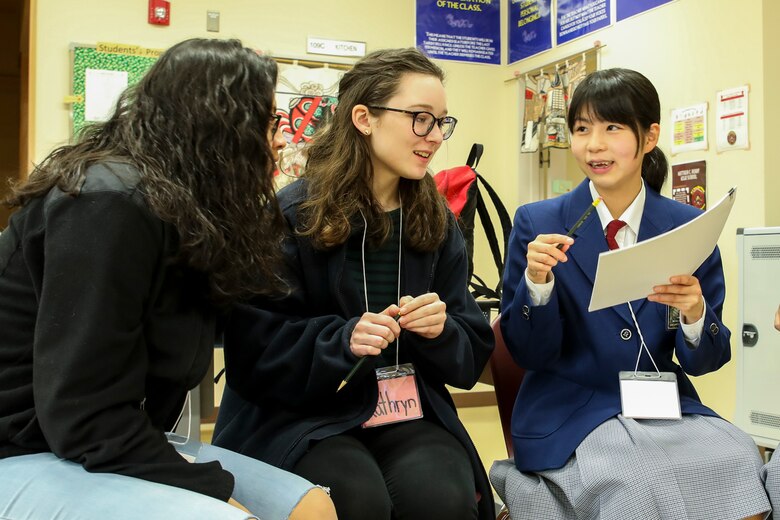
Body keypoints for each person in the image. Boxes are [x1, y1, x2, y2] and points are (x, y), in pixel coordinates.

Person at [0, 38, 335, 520]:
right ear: (221, 125)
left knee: (312, 508)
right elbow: (82, 413)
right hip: (28, 446)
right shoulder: (107, 202)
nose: (282, 140)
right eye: (269, 123)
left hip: (104, 436)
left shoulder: (187, 211)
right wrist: (212, 490)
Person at [212, 47, 496, 520]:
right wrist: (340, 341)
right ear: (363, 118)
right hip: (301, 414)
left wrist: (440, 330)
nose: (434, 138)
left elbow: (470, 347)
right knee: (354, 499)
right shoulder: (293, 215)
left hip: (405, 408)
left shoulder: (436, 223)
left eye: (442, 123)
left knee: (441, 497)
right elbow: (253, 348)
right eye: (420, 119)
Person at [490, 68, 770, 519]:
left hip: (665, 404)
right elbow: (528, 353)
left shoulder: (688, 226)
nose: (593, 145)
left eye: (612, 127)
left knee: (740, 458)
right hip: (568, 407)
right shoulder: (537, 223)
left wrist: (696, 313)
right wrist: (536, 286)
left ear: (649, 136)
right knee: (643, 480)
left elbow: (707, 360)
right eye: (582, 129)